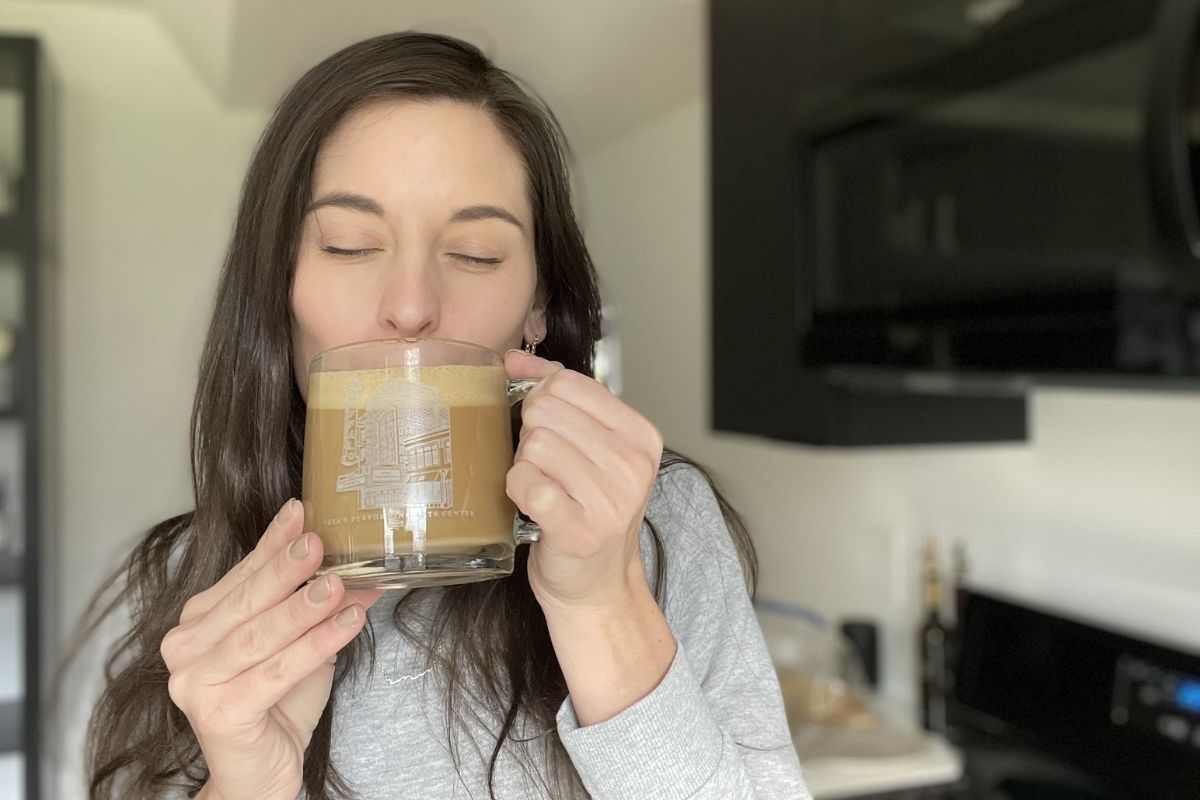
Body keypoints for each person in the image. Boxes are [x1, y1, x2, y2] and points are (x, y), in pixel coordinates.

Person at [59, 32, 810, 800]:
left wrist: (601, 604)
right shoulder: (167, 597)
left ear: (535, 311)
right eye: (350, 246)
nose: (412, 306)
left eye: (478, 254)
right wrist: (247, 784)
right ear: (278, 290)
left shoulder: (657, 528)